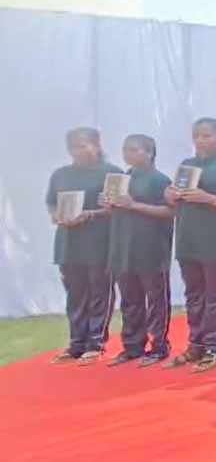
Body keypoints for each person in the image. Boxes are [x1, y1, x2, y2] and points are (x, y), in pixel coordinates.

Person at [163, 118, 216, 373]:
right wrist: (169, 195)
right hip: (187, 237)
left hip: (215, 239)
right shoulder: (187, 165)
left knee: (215, 294)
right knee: (193, 294)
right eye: (197, 136)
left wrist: (209, 198)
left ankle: (215, 346)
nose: (201, 141)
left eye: (207, 135)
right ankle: (196, 344)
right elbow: (173, 199)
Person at [46, 127, 122, 365]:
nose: (78, 151)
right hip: (69, 244)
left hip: (100, 243)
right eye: (73, 147)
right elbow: (51, 203)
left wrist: (89, 214)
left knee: (100, 292)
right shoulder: (60, 174)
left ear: (96, 145)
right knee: (75, 295)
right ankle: (76, 343)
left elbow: (119, 209)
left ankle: (95, 343)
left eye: (83, 145)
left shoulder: (112, 173)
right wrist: (56, 215)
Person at [103, 134, 175, 368]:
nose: (128, 154)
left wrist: (134, 205)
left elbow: (170, 211)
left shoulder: (160, 180)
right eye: (126, 149)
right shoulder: (121, 179)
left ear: (150, 152)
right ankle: (132, 346)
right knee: (129, 300)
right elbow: (116, 211)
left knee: (155, 300)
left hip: (151, 249)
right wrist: (108, 204)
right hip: (123, 248)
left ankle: (159, 346)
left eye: (135, 149)